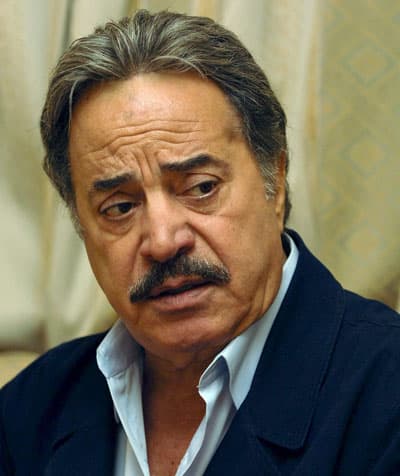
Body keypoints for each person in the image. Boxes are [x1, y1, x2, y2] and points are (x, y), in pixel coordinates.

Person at [1, 9, 399, 476]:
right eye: (120, 207)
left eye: (201, 187)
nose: (163, 241)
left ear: (275, 180)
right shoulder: (30, 411)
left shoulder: (385, 392)